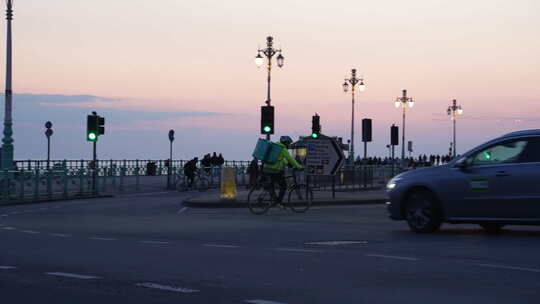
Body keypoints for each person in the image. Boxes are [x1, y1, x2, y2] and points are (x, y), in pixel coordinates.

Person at [262, 136, 303, 203]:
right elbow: (290, 159)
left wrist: (287, 164)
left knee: (271, 185)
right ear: (286, 143)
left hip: (266, 169)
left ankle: (275, 200)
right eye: (288, 143)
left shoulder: (275, 147)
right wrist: (299, 167)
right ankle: (279, 202)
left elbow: (280, 159)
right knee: (283, 186)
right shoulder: (283, 149)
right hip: (275, 170)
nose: (289, 145)